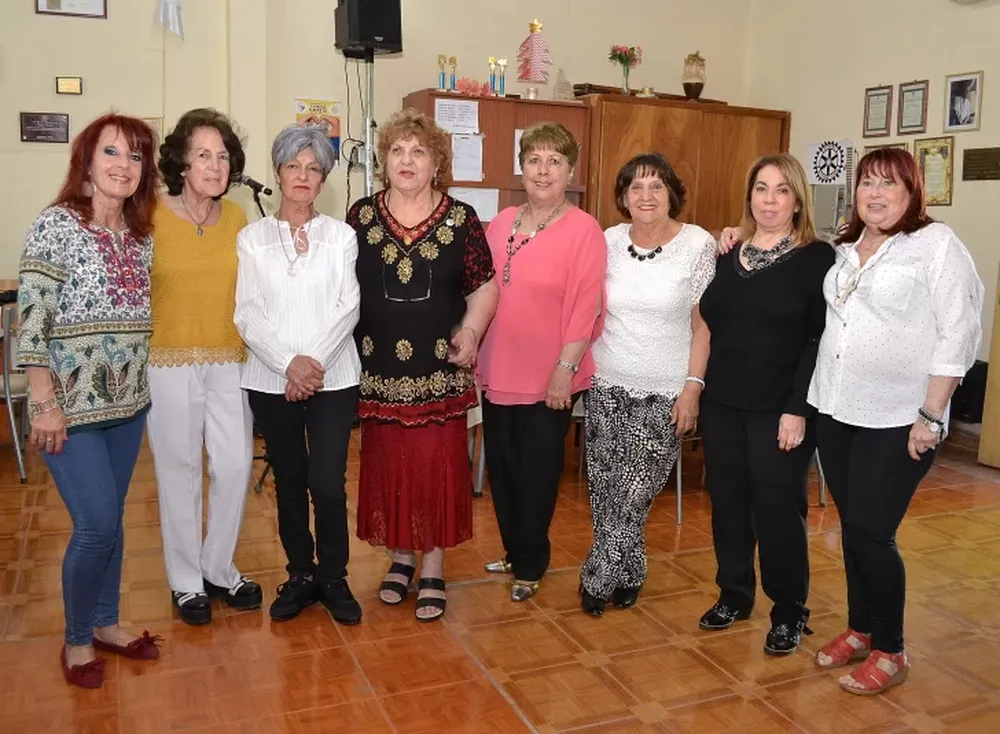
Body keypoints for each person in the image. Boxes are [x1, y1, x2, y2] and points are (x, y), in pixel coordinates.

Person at [808, 148, 983, 694]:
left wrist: (931, 416)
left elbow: (959, 332)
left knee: (870, 532)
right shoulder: (845, 245)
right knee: (853, 527)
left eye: (889, 184)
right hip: (837, 409)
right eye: (866, 183)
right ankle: (861, 628)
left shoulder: (934, 246)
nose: (875, 194)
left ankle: (891, 648)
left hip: (901, 418)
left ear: (912, 192)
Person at [17, 114, 162, 688]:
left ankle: (105, 622)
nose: (124, 166)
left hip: (127, 405)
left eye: (136, 156)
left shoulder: (140, 236)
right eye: (112, 153)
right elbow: (32, 321)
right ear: (87, 161)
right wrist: (44, 401)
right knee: (96, 524)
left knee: (113, 520)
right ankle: (77, 639)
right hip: (69, 409)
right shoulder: (56, 225)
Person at [348, 108, 498, 622]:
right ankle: (400, 557)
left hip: (441, 370)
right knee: (391, 464)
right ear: (383, 160)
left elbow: (484, 286)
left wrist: (473, 331)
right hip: (379, 373)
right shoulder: (361, 216)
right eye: (397, 151)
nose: (407, 160)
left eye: (419, 152)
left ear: (437, 163)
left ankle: (432, 565)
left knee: (437, 467)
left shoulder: (462, 219)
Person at [698, 153, 833, 655]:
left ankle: (789, 611)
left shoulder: (818, 259)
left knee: (778, 511)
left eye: (781, 190)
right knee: (728, 505)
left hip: (782, 410)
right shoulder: (728, 253)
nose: (769, 199)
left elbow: (817, 341)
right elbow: (711, 320)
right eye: (761, 188)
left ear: (798, 201)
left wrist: (798, 408)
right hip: (723, 403)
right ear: (749, 195)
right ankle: (734, 594)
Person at [235, 125, 363, 625]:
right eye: (294, 166)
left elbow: (348, 306)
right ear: (278, 173)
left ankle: (334, 576)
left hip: (334, 378)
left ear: (324, 178)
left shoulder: (342, 236)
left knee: (327, 481)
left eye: (314, 168)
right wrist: (288, 364)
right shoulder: (252, 239)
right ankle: (300, 574)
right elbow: (248, 313)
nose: (303, 176)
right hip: (270, 379)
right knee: (289, 481)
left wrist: (310, 365)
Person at [580, 153, 716, 616]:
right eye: (636, 187)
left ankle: (597, 577)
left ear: (672, 194)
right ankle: (631, 572)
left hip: (664, 393)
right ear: (622, 197)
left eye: (656, 186)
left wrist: (692, 388)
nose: (646, 195)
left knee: (634, 493)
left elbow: (704, 326)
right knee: (605, 491)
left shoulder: (698, 244)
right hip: (607, 385)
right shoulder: (608, 241)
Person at [477, 122, 607, 603]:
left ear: (570, 170)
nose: (544, 170)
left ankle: (531, 561)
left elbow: (587, 305)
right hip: (498, 368)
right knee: (503, 470)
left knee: (536, 473)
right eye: (535, 159)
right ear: (522, 167)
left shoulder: (584, 229)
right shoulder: (500, 222)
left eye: (555, 161)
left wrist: (565, 370)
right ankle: (514, 550)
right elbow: (481, 289)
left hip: (551, 374)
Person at [147, 108, 261, 626]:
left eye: (222, 156)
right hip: (167, 359)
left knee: (235, 466)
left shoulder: (237, 217)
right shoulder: (147, 214)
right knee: (180, 471)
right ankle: (186, 581)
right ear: (181, 162)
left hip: (228, 357)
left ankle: (218, 567)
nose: (215, 166)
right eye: (202, 155)